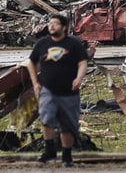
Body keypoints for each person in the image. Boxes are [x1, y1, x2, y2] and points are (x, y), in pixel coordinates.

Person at [27, 13, 88, 167]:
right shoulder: (42, 44)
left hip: (69, 92)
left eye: (55, 23)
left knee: (67, 124)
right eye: (50, 23)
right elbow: (31, 63)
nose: (51, 26)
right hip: (48, 90)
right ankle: (50, 152)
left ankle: (67, 156)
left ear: (64, 27)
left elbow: (82, 62)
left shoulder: (73, 44)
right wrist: (35, 83)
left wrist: (79, 78)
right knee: (46, 119)